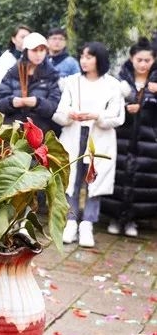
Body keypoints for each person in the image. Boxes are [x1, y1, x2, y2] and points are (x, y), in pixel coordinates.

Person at [53, 42, 124, 249]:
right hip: (75, 134)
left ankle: (88, 225)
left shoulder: (112, 85)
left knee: (94, 182)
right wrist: (70, 115)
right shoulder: (72, 82)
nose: (84, 61)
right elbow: (59, 111)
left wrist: (97, 116)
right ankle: (71, 221)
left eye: (89, 57)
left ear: (99, 59)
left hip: (98, 137)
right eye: (82, 56)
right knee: (71, 180)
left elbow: (118, 117)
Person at [101, 38, 157, 238]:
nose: (143, 64)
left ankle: (133, 219)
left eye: (147, 60)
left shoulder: (155, 83)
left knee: (143, 179)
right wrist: (126, 108)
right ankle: (115, 217)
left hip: (148, 140)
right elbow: (108, 107)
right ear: (132, 58)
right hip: (121, 137)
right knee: (118, 175)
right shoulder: (119, 81)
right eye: (139, 60)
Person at [0, 32, 61, 136]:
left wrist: (37, 103)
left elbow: (54, 106)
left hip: (40, 133)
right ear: (26, 51)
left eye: (42, 50)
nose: (39, 54)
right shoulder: (13, 72)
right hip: (13, 133)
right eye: (34, 50)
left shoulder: (51, 75)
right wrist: (11, 102)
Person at [0, 24, 32, 92]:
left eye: (29, 37)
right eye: (22, 37)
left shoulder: (35, 59)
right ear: (13, 39)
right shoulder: (5, 61)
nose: (26, 40)